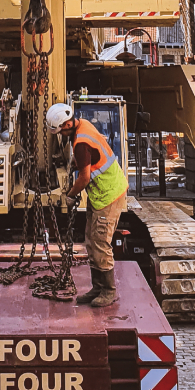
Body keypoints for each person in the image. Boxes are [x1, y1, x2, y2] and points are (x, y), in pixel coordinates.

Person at [46, 103, 128, 307]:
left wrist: (71, 195)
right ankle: (98, 287)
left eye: (59, 130)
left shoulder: (81, 143)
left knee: (100, 242)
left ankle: (109, 291)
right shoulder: (82, 125)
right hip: (100, 194)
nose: (60, 134)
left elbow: (83, 178)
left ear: (66, 124)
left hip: (108, 195)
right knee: (91, 241)